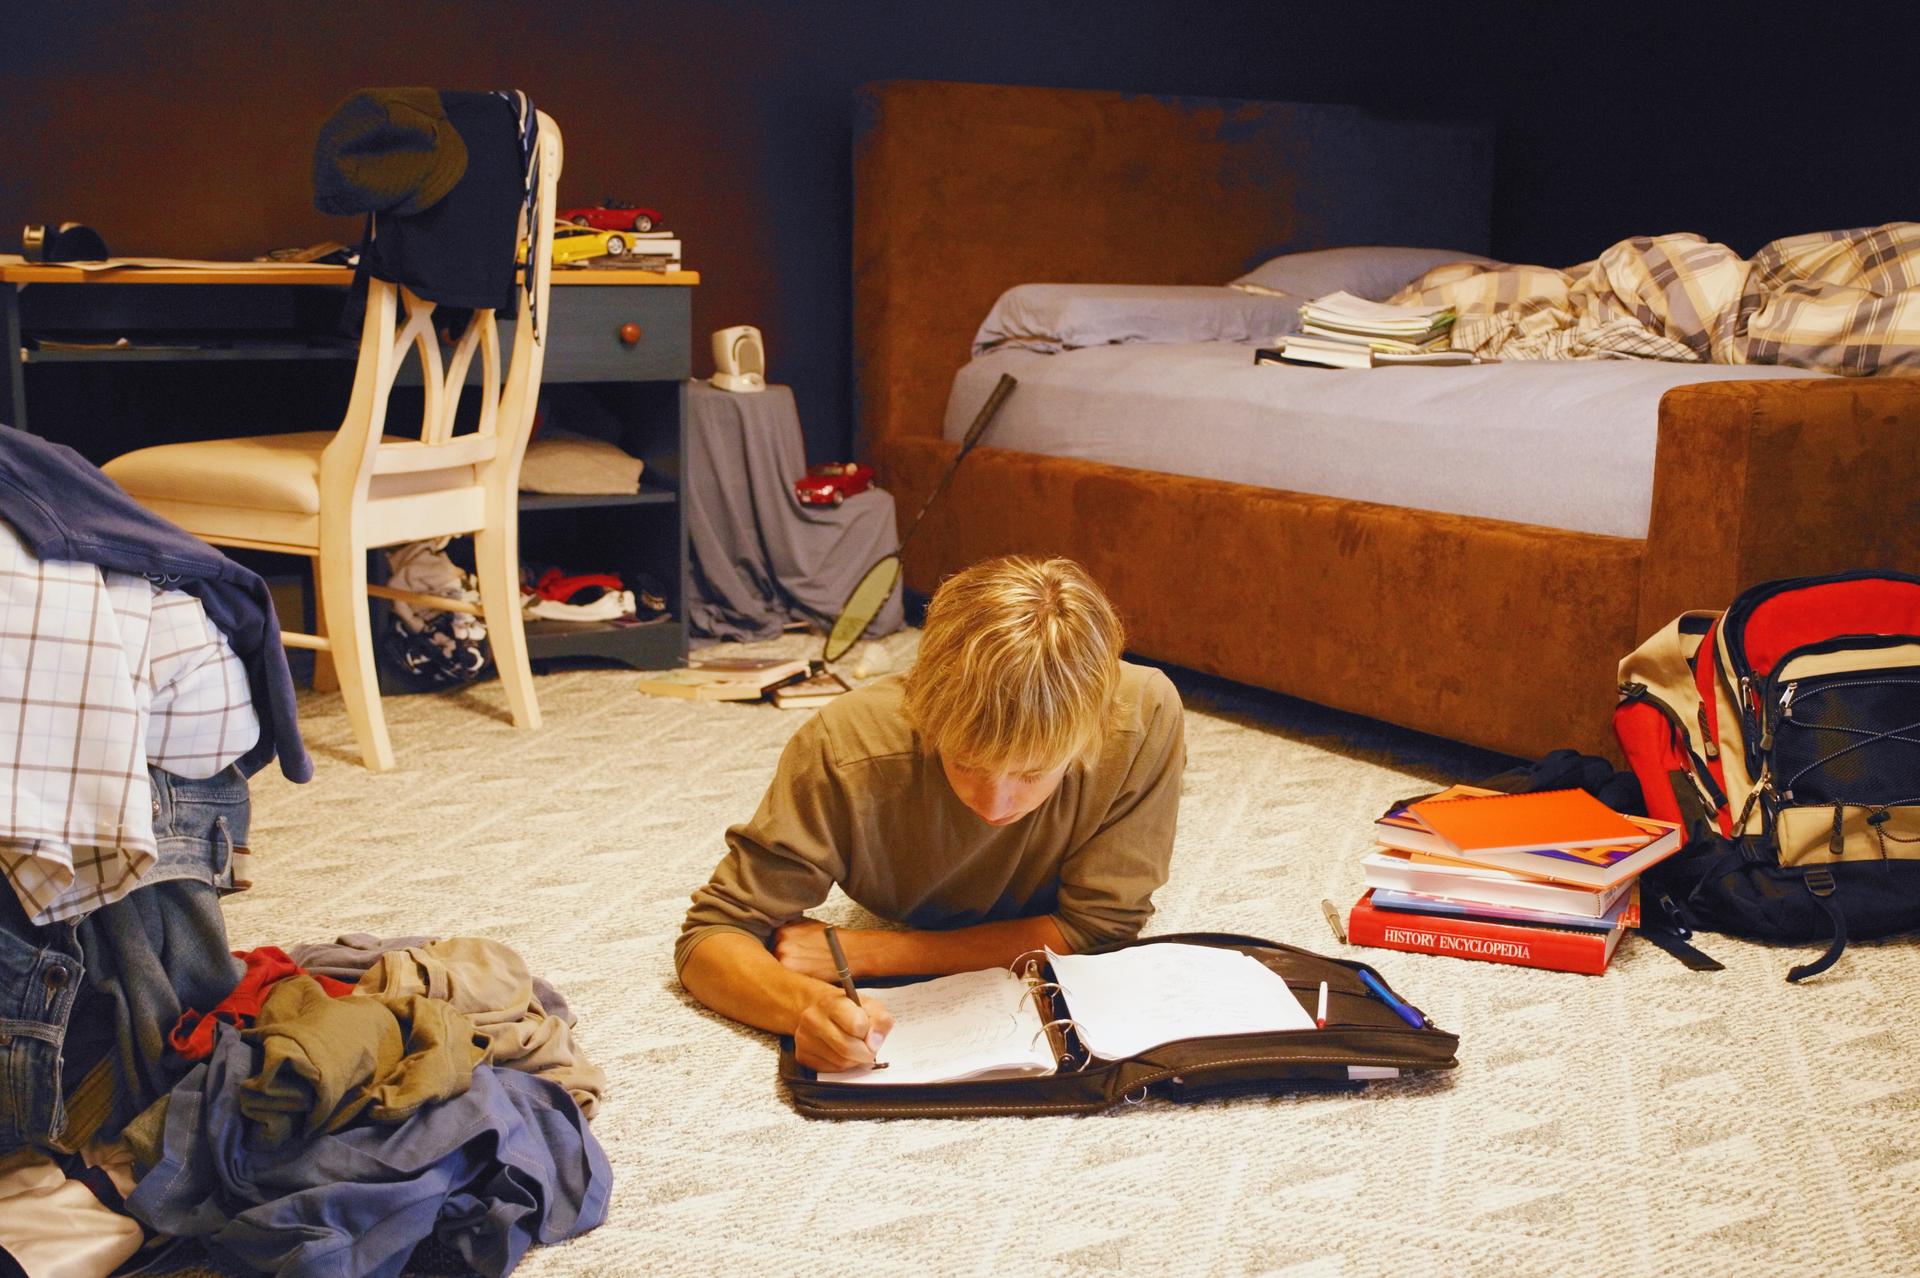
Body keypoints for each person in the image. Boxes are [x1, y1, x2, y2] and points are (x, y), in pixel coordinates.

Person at [676, 556, 1185, 1072]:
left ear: (1095, 732)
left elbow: (1099, 929)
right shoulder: (847, 747)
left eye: (1033, 773)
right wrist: (807, 1008)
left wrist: (873, 953)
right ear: (924, 708)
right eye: (966, 764)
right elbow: (713, 935)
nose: (995, 806)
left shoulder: (1142, 715)